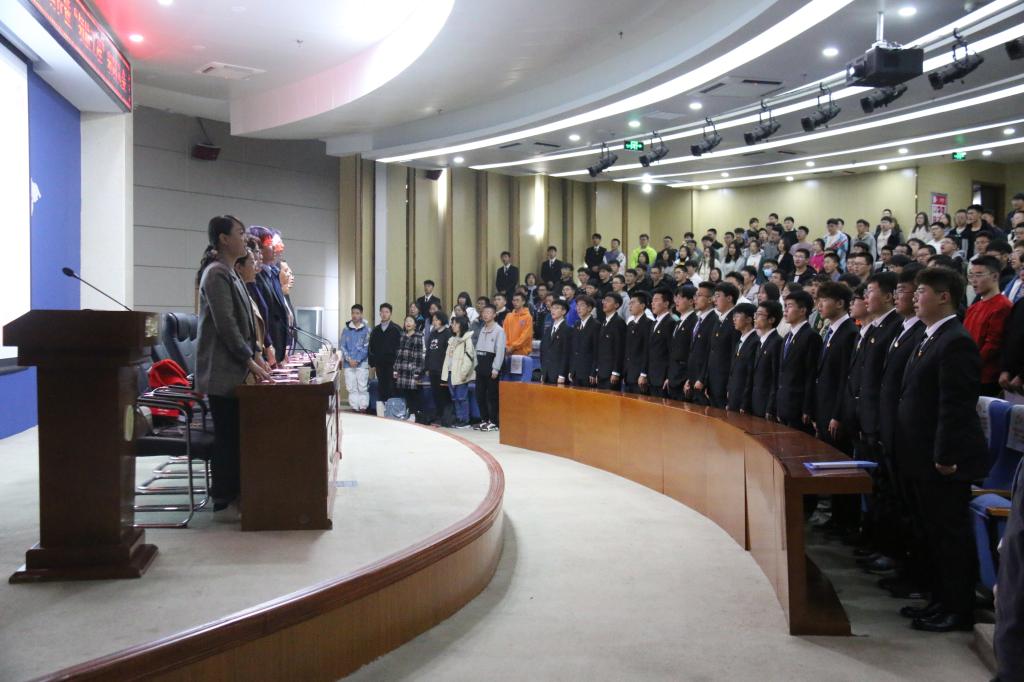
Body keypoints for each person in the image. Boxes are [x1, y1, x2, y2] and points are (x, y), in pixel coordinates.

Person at [895, 267, 988, 632]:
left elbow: (955, 405)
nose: (915, 297)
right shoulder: (930, 336)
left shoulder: (956, 341)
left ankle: (958, 609)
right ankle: (939, 600)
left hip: (942, 460)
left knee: (950, 536)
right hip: (921, 454)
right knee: (931, 532)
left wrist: (945, 455)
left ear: (944, 296)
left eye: (922, 292)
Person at [196, 215, 270, 512]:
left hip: (235, 368)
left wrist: (256, 354)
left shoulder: (231, 272)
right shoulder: (216, 274)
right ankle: (223, 497)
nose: (244, 238)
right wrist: (249, 360)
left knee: (237, 433)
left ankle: (237, 491)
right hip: (223, 371)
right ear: (224, 239)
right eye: (239, 233)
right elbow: (226, 325)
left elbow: (246, 322)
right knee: (227, 435)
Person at [813, 281, 858, 449]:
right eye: (818, 300)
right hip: (823, 409)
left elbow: (846, 377)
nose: (819, 305)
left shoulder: (849, 332)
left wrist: (837, 415)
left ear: (839, 303)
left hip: (835, 413)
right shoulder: (831, 331)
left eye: (824, 300)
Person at [964, 256, 1013, 396]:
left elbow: (993, 344)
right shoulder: (974, 307)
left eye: (979, 275)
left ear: (995, 276)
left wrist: (970, 363)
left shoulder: (1003, 306)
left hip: (986, 376)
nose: (974, 280)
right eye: (971, 275)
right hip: (967, 370)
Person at [774, 290, 822, 430]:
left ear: (802, 310)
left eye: (789, 306)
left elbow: (811, 374)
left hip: (798, 406)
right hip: (783, 403)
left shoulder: (811, 337)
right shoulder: (787, 337)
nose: (785, 310)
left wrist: (807, 408)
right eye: (785, 306)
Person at [704, 282, 739, 408]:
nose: (715, 299)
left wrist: (730, 385)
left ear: (729, 298)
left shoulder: (735, 321)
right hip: (713, 380)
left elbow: (733, 356)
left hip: (724, 382)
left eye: (718, 296)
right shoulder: (719, 320)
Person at [747, 301, 782, 419]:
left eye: (760, 314)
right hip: (755, 401)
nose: (755, 317)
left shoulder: (776, 342)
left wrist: (770, 407)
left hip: (766, 404)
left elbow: (775, 378)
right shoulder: (760, 341)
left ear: (771, 319)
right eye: (755, 314)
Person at [474, 304, 505, 432]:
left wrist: (496, 368)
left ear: (494, 315)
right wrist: (476, 365)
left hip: (491, 366)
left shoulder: (499, 330)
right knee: (480, 395)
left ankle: (494, 421)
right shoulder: (482, 329)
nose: (485, 314)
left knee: (492, 396)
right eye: (484, 312)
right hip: (481, 365)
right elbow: (477, 348)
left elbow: (500, 351)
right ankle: (485, 419)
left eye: (488, 312)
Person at [441, 316, 475, 428]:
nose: (453, 325)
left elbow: (469, 358)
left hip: (460, 373)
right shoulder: (452, 339)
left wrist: (463, 373)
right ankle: (458, 418)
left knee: (462, 397)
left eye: (455, 323)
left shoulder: (467, 339)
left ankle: (465, 420)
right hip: (451, 372)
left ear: (462, 325)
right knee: (454, 398)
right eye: (452, 323)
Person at [725, 303, 758, 412]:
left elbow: (750, 374)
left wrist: (744, 402)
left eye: (737, 316)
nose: (734, 319)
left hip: (743, 399)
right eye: (733, 316)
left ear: (749, 319)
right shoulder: (740, 340)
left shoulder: (755, 341)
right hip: (734, 395)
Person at [341, 304, 371, 412]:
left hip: (362, 363)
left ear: (361, 314)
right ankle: (354, 408)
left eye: (357, 313)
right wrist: (349, 359)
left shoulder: (367, 330)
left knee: (362, 387)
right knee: (351, 387)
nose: (354, 315)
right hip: (348, 364)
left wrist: (357, 360)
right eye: (353, 313)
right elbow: (342, 346)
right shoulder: (346, 329)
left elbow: (367, 347)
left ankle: (363, 408)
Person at [369, 303, 401, 401]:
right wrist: (372, 363)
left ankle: (391, 409)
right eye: (382, 312)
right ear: (379, 313)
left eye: (387, 312)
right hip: (379, 364)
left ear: (390, 313)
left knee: (392, 388)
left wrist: (399, 364)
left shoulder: (396, 329)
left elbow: (401, 348)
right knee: (381, 387)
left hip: (392, 365)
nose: (384, 314)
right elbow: (371, 347)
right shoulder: (375, 330)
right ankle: (382, 408)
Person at [393, 316, 424, 417]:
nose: (408, 323)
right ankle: (407, 412)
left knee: (413, 393)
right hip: (402, 369)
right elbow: (398, 354)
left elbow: (419, 355)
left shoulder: (418, 336)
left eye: (410, 321)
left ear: (415, 324)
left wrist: (417, 371)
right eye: (406, 321)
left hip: (412, 369)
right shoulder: (402, 335)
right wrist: (395, 369)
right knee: (404, 393)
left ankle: (413, 414)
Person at [646, 289, 674, 397]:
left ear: (666, 303)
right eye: (652, 301)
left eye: (656, 300)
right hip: (652, 376)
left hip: (662, 377)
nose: (652, 303)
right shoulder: (654, 323)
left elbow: (671, 351)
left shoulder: (670, 323)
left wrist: (668, 376)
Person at [595, 292, 627, 389]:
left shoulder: (619, 322)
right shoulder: (604, 322)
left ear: (616, 305)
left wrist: (616, 371)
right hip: (602, 371)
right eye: (604, 300)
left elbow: (619, 348)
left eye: (608, 301)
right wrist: (597, 369)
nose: (604, 303)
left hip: (611, 373)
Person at [623, 291, 652, 394]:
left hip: (639, 375)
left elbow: (646, 350)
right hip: (628, 373)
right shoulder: (630, 324)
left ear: (642, 306)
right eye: (629, 303)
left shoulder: (648, 323)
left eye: (633, 303)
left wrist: (643, 373)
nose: (630, 306)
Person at [569, 295, 600, 387]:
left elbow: (596, 351)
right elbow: (573, 349)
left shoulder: (596, 325)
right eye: (577, 305)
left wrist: (594, 372)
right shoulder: (577, 324)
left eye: (581, 305)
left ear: (589, 308)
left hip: (588, 372)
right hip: (576, 372)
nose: (578, 308)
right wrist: (571, 370)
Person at [541, 299, 572, 384]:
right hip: (546, 373)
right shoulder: (548, 329)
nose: (553, 310)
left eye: (557, 308)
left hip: (559, 375)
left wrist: (562, 375)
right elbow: (543, 351)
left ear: (564, 311)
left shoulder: (567, 330)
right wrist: (543, 372)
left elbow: (566, 354)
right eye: (552, 308)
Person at [503, 292, 533, 358]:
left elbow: (525, 336)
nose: (515, 302)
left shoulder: (528, 317)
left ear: (523, 302)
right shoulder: (508, 316)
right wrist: (506, 346)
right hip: (507, 351)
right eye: (514, 300)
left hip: (522, 352)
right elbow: (504, 333)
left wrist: (513, 347)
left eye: (517, 300)